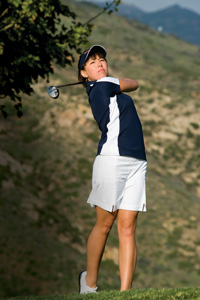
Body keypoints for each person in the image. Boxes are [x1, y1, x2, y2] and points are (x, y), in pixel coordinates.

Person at [77, 44, 147, 294]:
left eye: (102, 59)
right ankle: (89, 283)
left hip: (137, 162)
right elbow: (134, 82)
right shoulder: (101, 86)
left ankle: (125, 293)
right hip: (111, 160)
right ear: (84, 73)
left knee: (128, 227)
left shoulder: (107, 87)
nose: (99, 63)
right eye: (92, 61)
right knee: (105, 225)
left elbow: (129, 85)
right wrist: (110, 80)